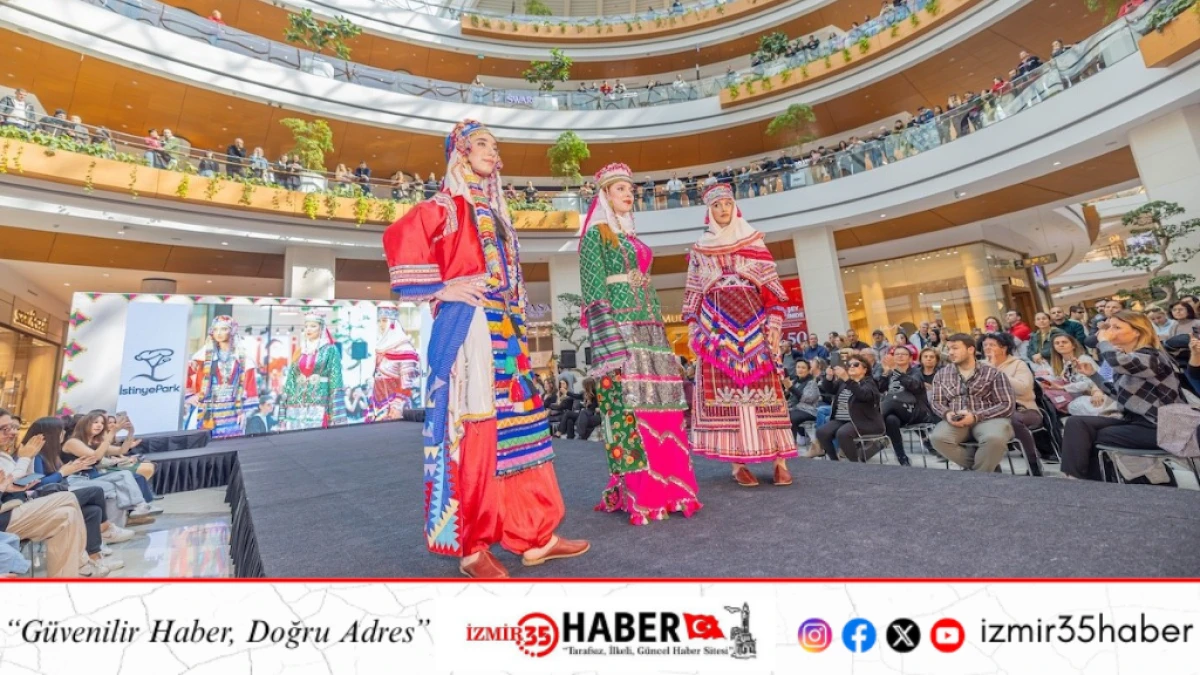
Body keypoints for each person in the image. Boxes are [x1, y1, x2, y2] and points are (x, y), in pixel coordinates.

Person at [385, 119, 587, 577]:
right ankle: (473, 548)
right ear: (459, 152)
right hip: (471, 327)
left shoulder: (494, 210)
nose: (492, 152)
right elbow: (399, 237)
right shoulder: (447, 204)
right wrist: (441, 289)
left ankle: (535, 535)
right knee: (476, 431)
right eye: (481, 144)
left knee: (522, 426)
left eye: (495, 146)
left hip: (505, 327)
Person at [579, 161, 702, 522]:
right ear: (605, 194)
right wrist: (608, 341)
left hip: (652, 332)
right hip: (622, 333)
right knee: (632, 410)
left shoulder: (633, 238)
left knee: (663, 407)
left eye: (630, 188)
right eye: (620, 188)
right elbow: (593, 291)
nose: (628, 194)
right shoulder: (596, 235)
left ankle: (674, 489)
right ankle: (643, 492)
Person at [683, 184, 796, 486]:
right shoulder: (700, 250)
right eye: (717, 205)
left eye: (727, 204)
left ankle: (780, 460)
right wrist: (693, 328)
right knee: (728, 400)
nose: (723, 209)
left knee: (767, 396)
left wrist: (774, 324)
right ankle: (738, 464)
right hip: (717, 334)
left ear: (735, 208)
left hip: (756, 329)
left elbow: (773, 291)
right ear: (709, 211)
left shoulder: (754, 242)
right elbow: (693, 294)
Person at [1061, 311, 1183, 482]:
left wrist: (1103, 341)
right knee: (1076, 423)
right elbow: (1118, 394)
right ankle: (1074, 478)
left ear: (1137, 331)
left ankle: (1091, 484)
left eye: (1116, 327)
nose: (1110, 331)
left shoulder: (1152, 356)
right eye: (1110, 327)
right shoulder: (1129, 359)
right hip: (1135, 421)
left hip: (1162, 426)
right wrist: (1093, 375)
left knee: (1096, 436)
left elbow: (1117, 361)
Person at [929, 333, 1016, 472]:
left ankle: (979, 474)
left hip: (989, 419)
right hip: (956, 420)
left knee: (994, 439)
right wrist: (947, 414)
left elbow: (1006, 404)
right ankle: (985, 466)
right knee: (938, 438)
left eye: (955, 348)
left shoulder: (993, 373)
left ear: (970, 349)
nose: (950, 352)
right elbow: (936, 402)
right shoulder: (942, 374)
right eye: (949, 349)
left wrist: (976, 416)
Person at [185, 315, 258, 439]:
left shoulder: (243, 358)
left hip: (233, 411)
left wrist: (243, 411)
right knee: (206, 443)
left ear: (232, 331)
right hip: (207, 410)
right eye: (216, 329)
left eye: (224, 329)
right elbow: (185, 374)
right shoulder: (202, 356)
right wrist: (189, 396)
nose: (218, 333)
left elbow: (250, 386)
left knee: (231, 444)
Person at [982, 332, 1044, 476]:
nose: (987, 348)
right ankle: (991, 467)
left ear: (1003, 348)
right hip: (991, 412)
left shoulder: (1018, 364)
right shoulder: (981, 366)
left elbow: (1024, 389)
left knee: (1011, 419)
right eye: (985, 345)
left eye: (992, 345)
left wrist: (996, 372)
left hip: (1023, 409)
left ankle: (1033, 462)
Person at [279, 313, 346, 431]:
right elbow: (291, 378)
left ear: (321, 328)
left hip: (320, 401)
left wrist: (336, 412)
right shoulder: (300, 350)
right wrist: (283, 409)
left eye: (313, 326)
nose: (308, 329)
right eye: (306, 326)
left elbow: (336, 380)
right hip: (297, 402)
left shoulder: (330, 350)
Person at [814, 357, 886, 462]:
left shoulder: (870, 382)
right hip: (842, 419)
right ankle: (834, 461)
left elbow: (864, 395)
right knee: (821, 432)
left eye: (856, 364)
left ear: (865, 369)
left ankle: (855, 464)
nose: (851, 366)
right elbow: (830, 390)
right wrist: (829, 377)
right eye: (849, 365)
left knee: (843, 433)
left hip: (864, 421)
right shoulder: (843, 382)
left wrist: (848, 379)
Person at [1033, 333, 1117, 417]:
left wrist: (1063, 387)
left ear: (1073, 345)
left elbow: (1091, 382)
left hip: (1096, 395)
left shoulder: (1083, 359)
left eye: (1064, 342)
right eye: (1057, 343)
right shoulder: (1061, 364)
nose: (1061, 345)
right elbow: (1058, 378)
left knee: (1077, 406)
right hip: (1078, 398)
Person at [878, 346, 935, 467]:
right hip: (896, 413)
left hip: (915, 411)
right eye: (897, 354)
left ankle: (875, 424)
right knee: (891, 420)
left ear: (910, 359)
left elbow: (914, 385)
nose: (899, 356)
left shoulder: (916, 372)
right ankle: (901, 457)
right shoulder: (891, 373)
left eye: (903, 354)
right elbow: (880, 389)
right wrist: (885, 373)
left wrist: (896, 370)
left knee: (892, 401)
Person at [372, 307, 420, 420]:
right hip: (378, 406)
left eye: (384, 320)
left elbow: (406, 383)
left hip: (395, 408)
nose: (381, 325)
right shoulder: (381, 348)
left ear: (393, 323)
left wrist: (397, 406)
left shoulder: (405, 350)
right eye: (379, 321)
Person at [785, 360, 821, 452]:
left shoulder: (812, 383)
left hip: (808, 410)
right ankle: (785, 444)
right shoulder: (795, 381)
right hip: (795, 409)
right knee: (781, 415)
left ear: (808, 370)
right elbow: (789, 398)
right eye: (798, 367)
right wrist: (787, 390)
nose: (800, 369)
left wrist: (791, 388)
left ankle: (792, 446)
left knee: (790, 417)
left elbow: (807, 399)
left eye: (803, 368)